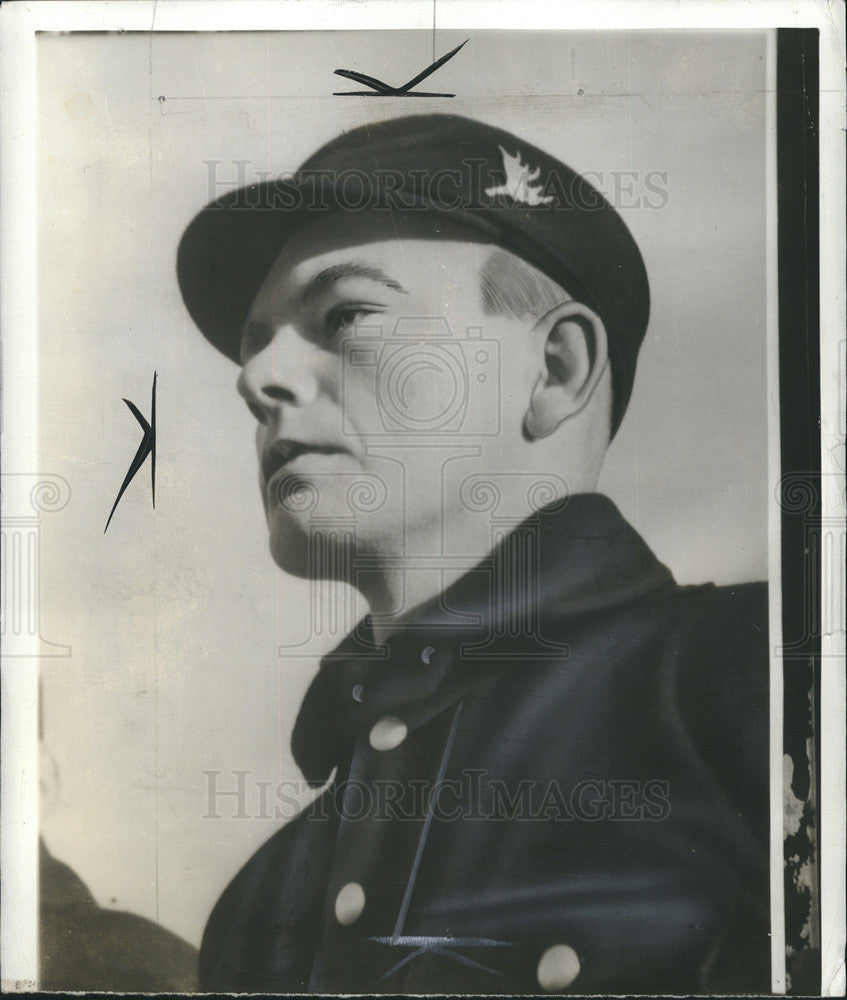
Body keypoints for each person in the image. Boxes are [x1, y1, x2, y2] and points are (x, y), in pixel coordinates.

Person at [177, 113, 769, 994]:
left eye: (344, 315)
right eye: (255, 342)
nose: (255, 379)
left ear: (557, 369)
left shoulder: (764, 672)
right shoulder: (261, 908)